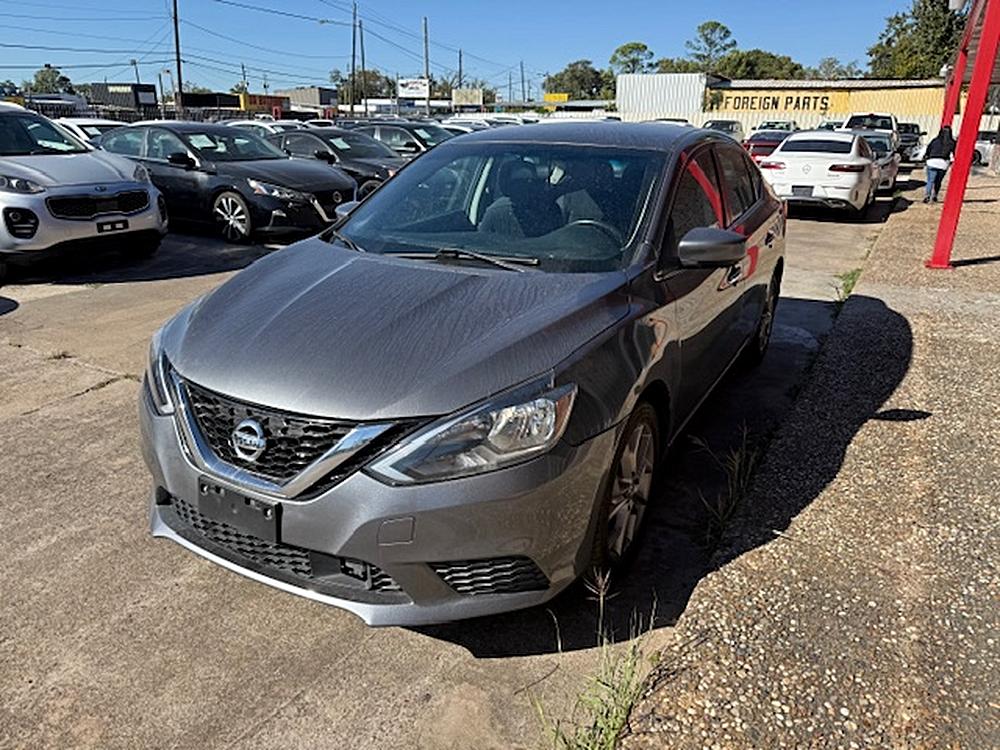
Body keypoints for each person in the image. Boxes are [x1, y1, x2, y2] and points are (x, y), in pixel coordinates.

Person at [923, 126, 956, 203]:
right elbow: (955, 153)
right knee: (938, 181)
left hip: (932, 162)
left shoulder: (935, 140)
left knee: (930, 181)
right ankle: (935, 196)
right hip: (943, 164)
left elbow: (928, 150)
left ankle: (927, 196)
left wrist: (926, 157)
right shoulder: (951, 142)